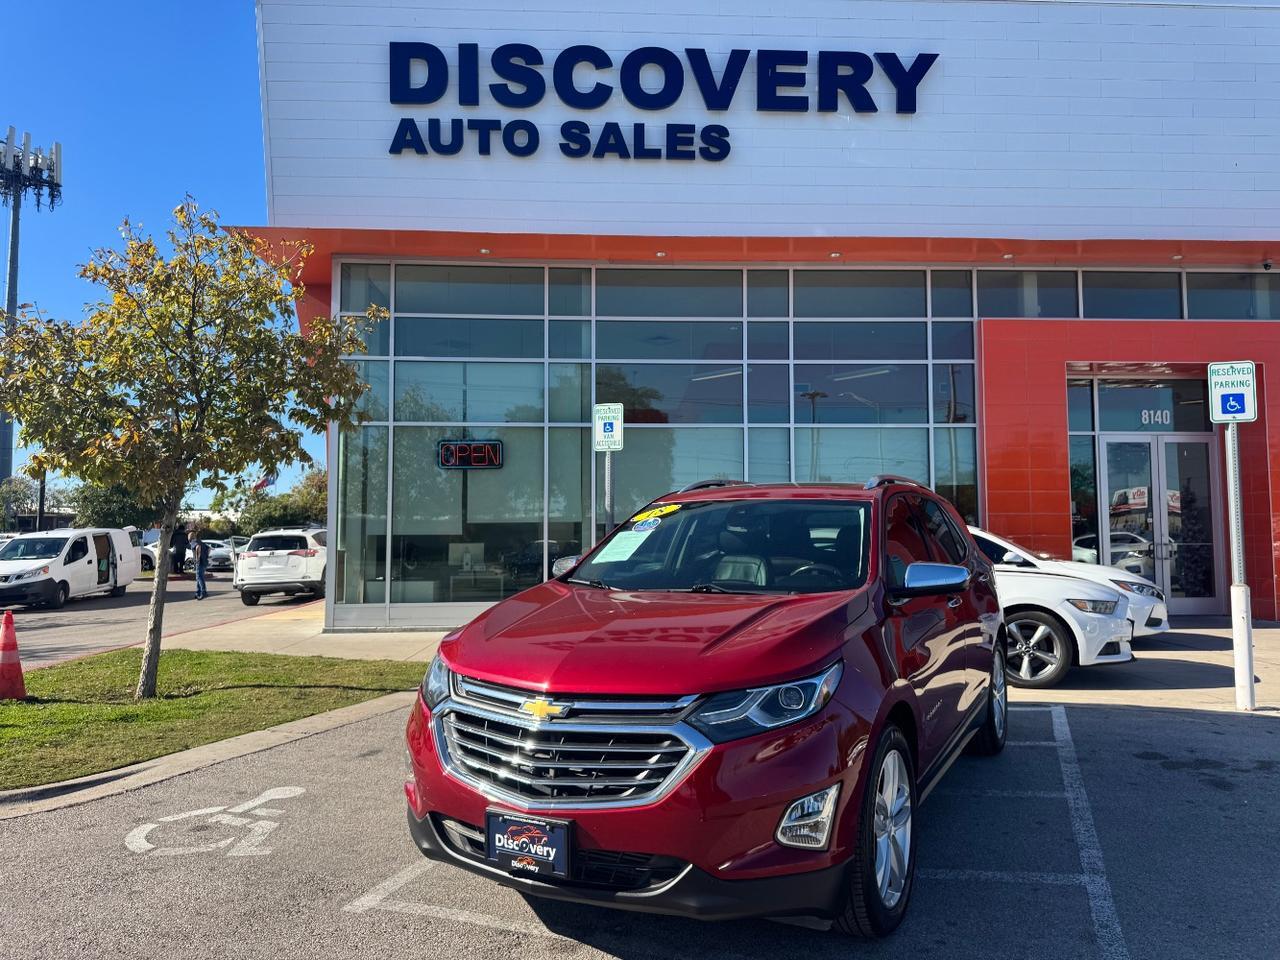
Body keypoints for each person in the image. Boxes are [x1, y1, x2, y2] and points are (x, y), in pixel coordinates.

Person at [191, 530, 209, 600]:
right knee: (199, 576)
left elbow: (198, 547)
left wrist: (197, 557)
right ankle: (198, 592)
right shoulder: (203, 543)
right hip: (204, 562)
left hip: (199, 562)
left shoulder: (194, 543)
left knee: (199, 577)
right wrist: (206, 556)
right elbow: (209, 549)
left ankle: (203, 592)